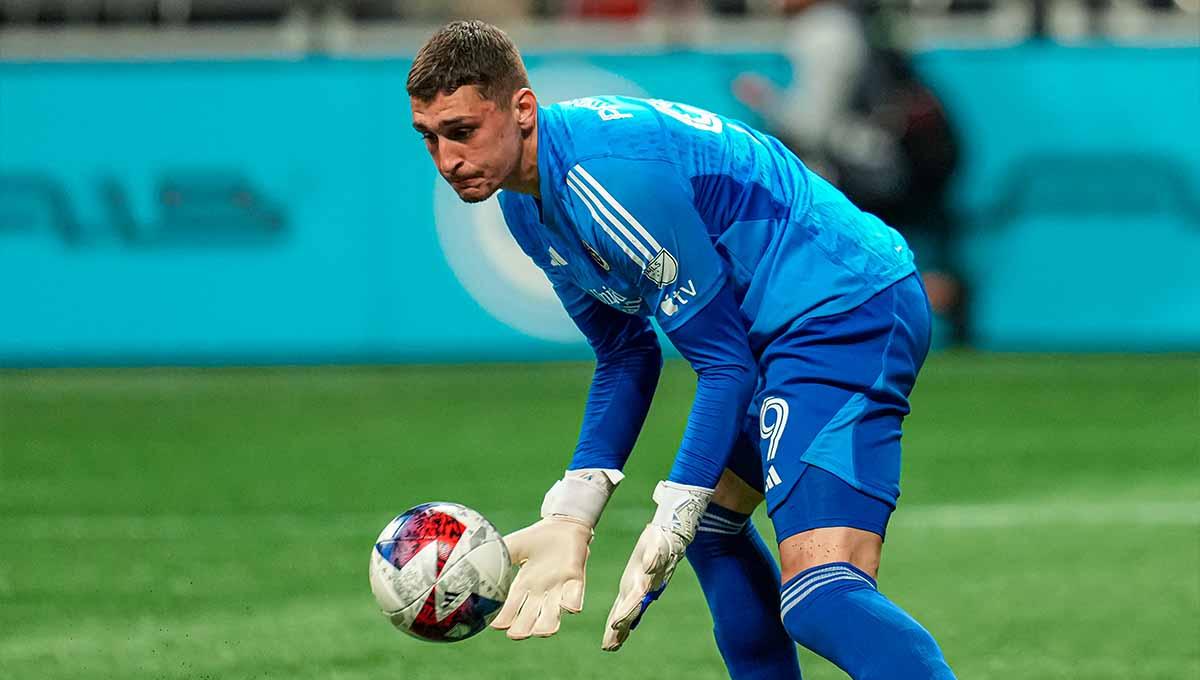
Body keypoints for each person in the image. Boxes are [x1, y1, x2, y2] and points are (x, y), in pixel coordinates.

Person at [407, 20, 956, 680]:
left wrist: (672, 515)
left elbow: (723, 365)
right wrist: (572, 513)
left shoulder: (606, 178)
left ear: (522, 109)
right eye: (430, 137)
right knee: (716, 535)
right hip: (782, 326)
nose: (446, 159)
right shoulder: (525, 201)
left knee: (821, 597)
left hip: (844, 310)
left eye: (462, 130)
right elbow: (625, 352)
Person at [734, 0, 968, 345]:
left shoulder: (824, 29)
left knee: (829, 256)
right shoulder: (858, 20)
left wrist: (765, 100)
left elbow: (812, 124)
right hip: (898, 156)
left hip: (865, 163)